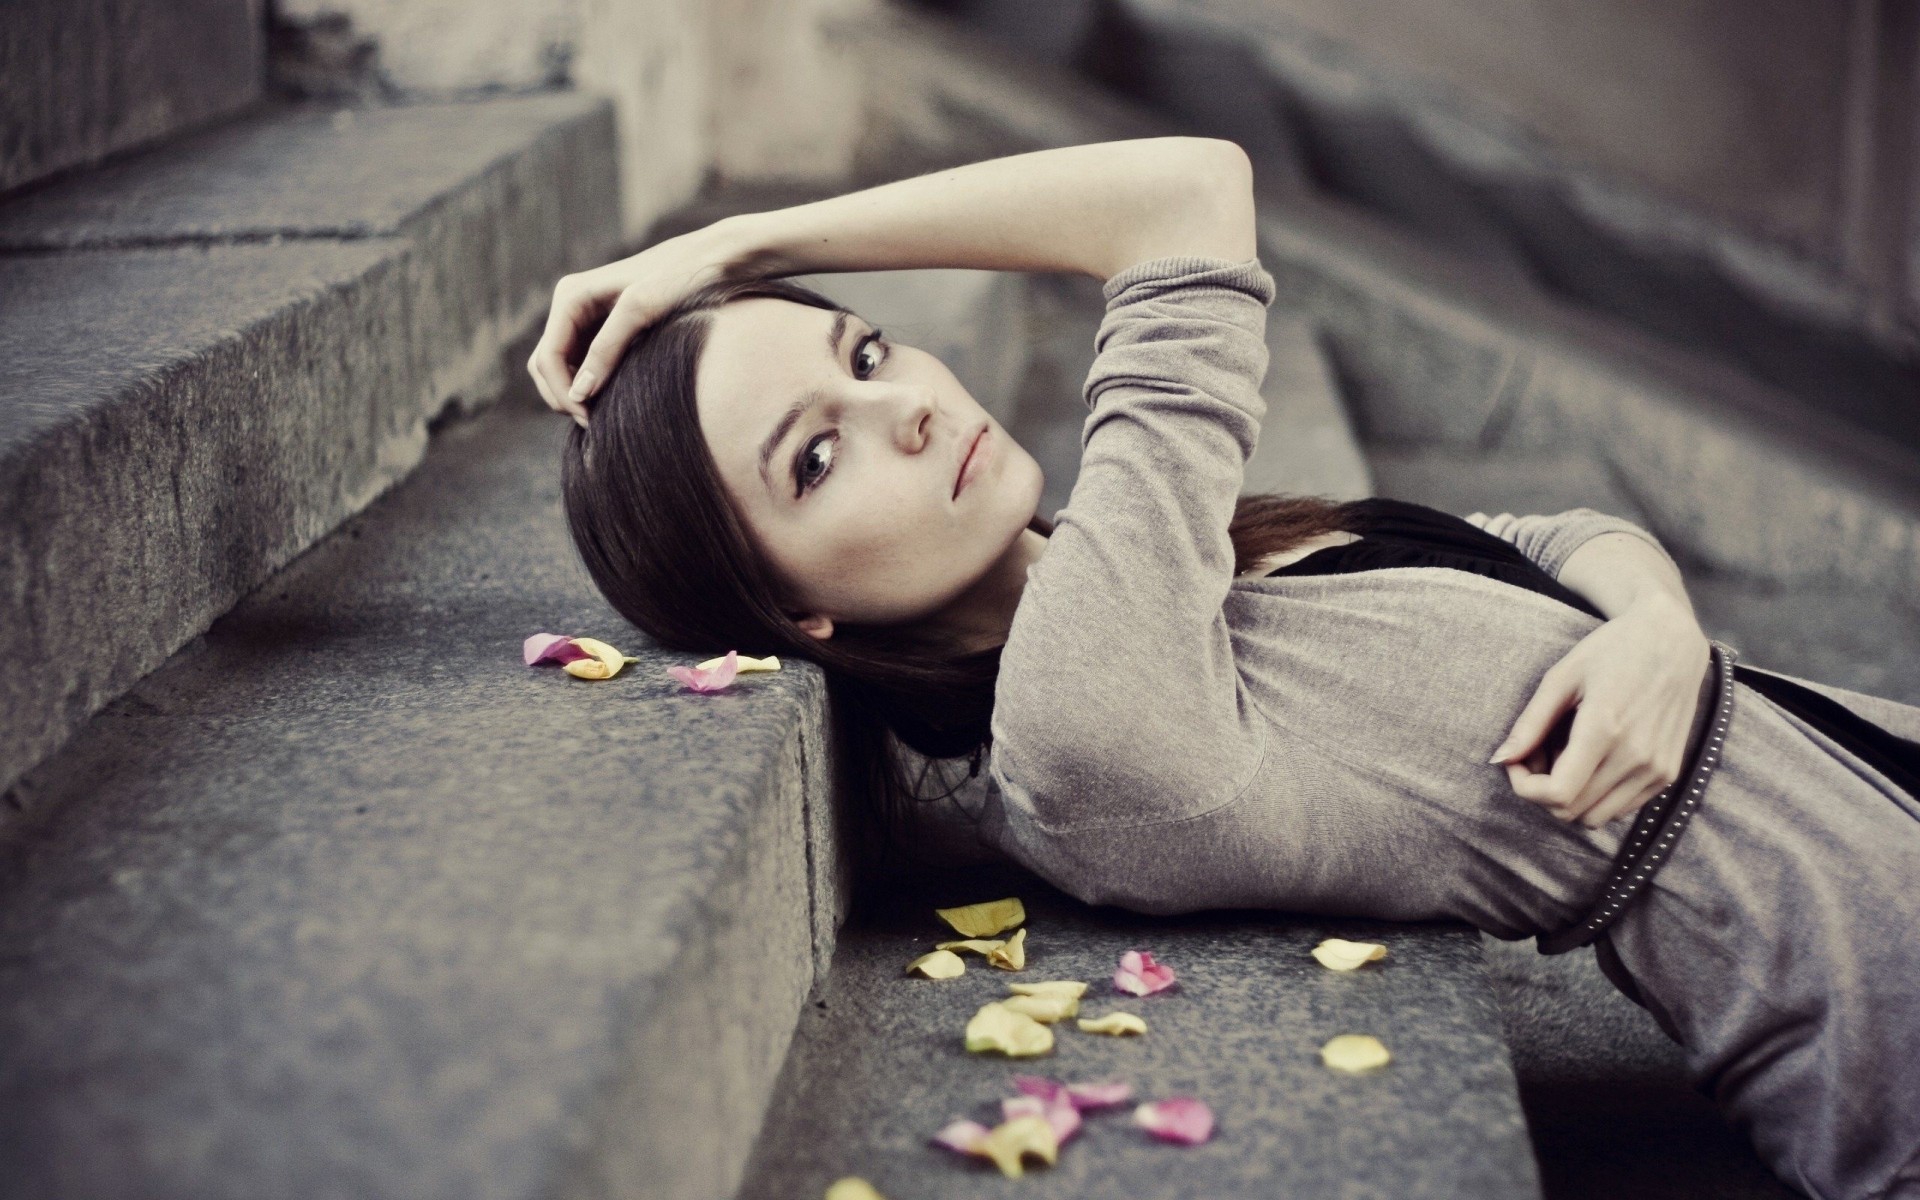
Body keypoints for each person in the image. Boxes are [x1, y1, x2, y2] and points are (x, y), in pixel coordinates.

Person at [527, 137, 1920, 1199]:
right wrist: (744, 238)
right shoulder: (1081, 709)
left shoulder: (1135, 566)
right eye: (816, 456)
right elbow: (1191, 191)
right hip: (1845, 960)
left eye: (869, 350)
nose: (906, 409)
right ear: (792, 615)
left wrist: (1656, 635)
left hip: (1854, 784)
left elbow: (1549, 536)